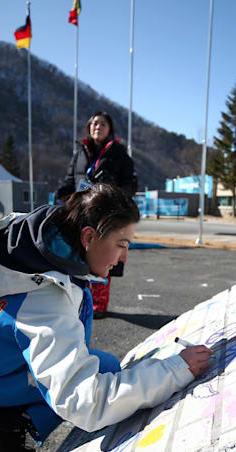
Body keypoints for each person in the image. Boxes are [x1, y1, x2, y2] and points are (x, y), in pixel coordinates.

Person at [0, 184, 211, 452]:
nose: (125, 258)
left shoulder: (37, 235)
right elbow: (85, 402)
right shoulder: (44, 303)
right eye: (122, 244)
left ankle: (12, 414)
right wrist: (176, 369)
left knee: (101, 362)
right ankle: (7, 427)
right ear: (88, 236)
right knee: (98, 375)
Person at [55, 111, 138, 318]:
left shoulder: (118, 153)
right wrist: (63, 192)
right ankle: (75, 299)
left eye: (102, 124)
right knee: (77, 254)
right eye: (93, 124)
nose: (97, 127)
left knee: (103, 256)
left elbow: (131, 184)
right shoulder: (80, 151)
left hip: (107, 214)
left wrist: (114, 191)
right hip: (81, 212)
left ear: (110, 129)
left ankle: (98, 305)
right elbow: (71, 177)